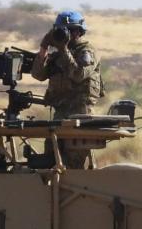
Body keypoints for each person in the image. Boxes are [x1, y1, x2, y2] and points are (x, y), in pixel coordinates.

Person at [31, 10, 104, 168]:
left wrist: (63, 49)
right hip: (60, 113)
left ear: (79, 32)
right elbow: (38, 74)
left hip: (80, 114)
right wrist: (44, 46)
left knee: (73, 164)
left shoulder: (87, 52)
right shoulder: (58, 55)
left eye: (70, 30)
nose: (67, 35)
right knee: (51, 160)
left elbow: (78, 75)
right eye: (62, 30)